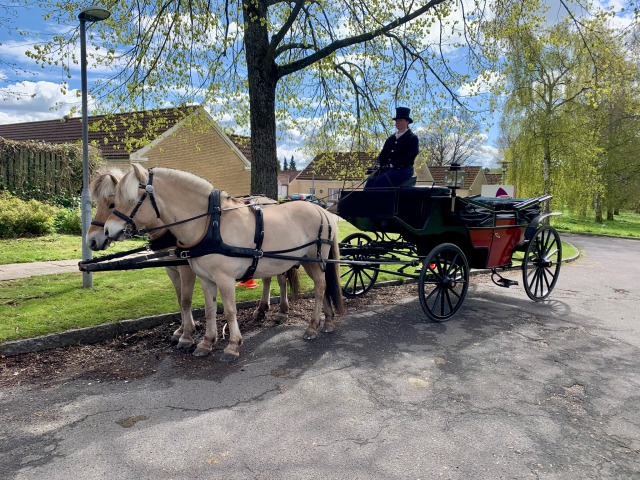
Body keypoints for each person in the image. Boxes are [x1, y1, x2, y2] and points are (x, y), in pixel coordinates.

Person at [365, 106, 420, 189]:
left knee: (380, 181)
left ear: (407, 122)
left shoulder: (412, 138)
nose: (398, 122)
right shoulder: (390, 139)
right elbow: (383, 155)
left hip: (404, 170)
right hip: (388, 170)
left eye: (400, 120)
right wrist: (379, 164)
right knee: (370, 180)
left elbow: (409, 157)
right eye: (397, 121)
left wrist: (391, 165)